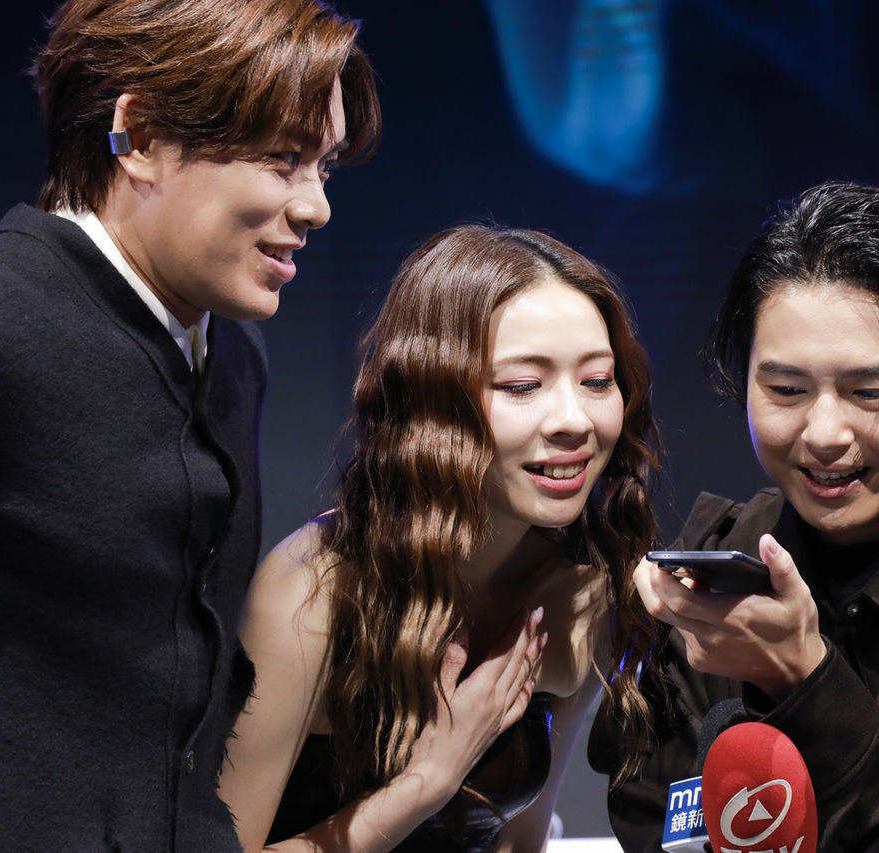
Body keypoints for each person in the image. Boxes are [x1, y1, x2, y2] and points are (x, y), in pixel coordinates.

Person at [0, 0, 380, 850]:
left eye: (324, 166)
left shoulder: (232, 358)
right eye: (283, 160)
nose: (316, 206)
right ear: (139, 137)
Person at [590, 181, 879, 850]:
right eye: (785, 389)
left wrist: (803, 680)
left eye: (870, 391)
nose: (823, 434)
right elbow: (647, 812)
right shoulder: (717, 565)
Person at [217, 224, 661, 852]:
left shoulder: (582, 594)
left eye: (596, 381)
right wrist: (425, 783)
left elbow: (520, 841)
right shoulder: (315, 595)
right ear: (432, 397)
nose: (574, 420)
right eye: (522, 386)